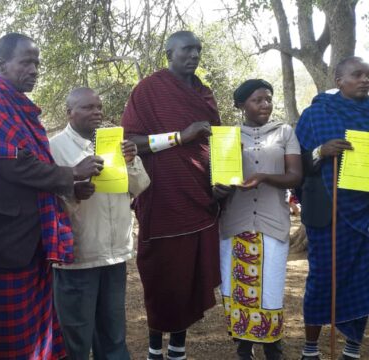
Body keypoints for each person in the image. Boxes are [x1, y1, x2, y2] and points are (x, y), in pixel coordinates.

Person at [0, 32, 104, 359]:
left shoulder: (16, 106)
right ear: (1, 64)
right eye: (26, 62)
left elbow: (29, 166)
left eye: (37, 62)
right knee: (5, 345)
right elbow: (14, 166)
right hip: (0, 246)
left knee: (37, 339)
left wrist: (69, 186)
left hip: (30, 240)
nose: (34, 69)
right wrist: (70, 173)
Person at [121, 30, 224, 360]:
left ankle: (177, 347)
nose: (193, 55)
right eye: (186, 49)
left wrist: (223, 180)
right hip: (162, 200)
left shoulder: (204, 94)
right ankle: (154, 348)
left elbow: (216, 144)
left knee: (188, 276)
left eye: (198, 49)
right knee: (161, 275)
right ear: (169, 53)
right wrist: (180, 137)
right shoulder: (148, 90)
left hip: (199, 199)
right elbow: (131, 142)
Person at [49, 87, 150, 360]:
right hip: (78, 258)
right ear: (69, 112)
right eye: (88, 107)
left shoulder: (114, 143)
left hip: (115, 255)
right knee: (76, 339)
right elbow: (46, 203)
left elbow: (140, 186)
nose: (97, 112)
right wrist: (73, 191)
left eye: (98, 107)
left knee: (113, 335)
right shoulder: (53, 147)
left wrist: (130, 161)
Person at [219, 79, 302, 360]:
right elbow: (218, 179)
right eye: (258, 100)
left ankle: (272, 348)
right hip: (236, 221)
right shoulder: (227, 136)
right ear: (242, 105)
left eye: (268, 98)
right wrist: (219, 188)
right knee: (238, 288)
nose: (265, 104)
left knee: (271, 288)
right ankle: (244, 348)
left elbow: (295, 176)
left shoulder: (284, 132)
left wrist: (265, 177)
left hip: (272, 222)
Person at [295, 56, 369, 360]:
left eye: (367, 75)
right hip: (327, 215)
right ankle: (310, 349)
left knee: (363, 279)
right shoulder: (315, 115)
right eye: (358, 75)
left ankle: (352, 349)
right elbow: (297, 165)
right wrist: (321, 151)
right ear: (339, 81)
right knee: (321, 279)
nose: (365, 80)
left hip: (365, 214)